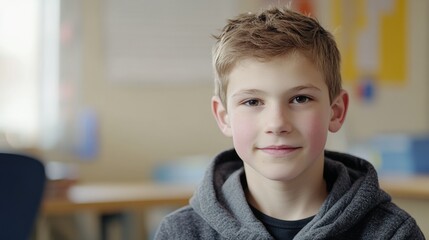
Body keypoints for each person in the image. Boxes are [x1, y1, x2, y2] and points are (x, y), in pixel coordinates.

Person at [154, 6, 425, 240]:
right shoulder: (181, 232)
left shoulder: (392, 232)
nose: (277, 123)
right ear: (224, 117)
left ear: (336, 112)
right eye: (252, 102)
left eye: (300, 98)